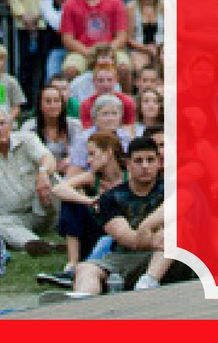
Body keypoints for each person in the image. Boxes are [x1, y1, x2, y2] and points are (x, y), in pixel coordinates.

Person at [72, 135, 170, 295]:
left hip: (167, 259)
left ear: (159, 163)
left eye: (150, 160)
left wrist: (146, 226)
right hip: (125, 256)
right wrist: (151, 237)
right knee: (85, 267)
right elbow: (129, 239)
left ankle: (147, 283)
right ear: (128, 164)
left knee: (172, 237)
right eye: (138, 161)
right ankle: (81, 299)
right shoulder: (110, 198)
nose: (145, 166)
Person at [40, 131, 126, 290]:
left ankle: (77, 274)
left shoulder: (129, 176)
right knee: (71, 202)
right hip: (97, 232)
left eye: (93, 154)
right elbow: (59, 189)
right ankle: (73, 263)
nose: (88, 160)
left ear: (108, 153)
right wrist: (89, 201)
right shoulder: (93, 177)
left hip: (121, 233)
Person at [0, 106, 60, 254]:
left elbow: (49, 158)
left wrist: (43, 173)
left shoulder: (27, 139)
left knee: (53, 178)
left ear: (10, 124)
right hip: (17, 218)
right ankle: (38, 245)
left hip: (46, 206)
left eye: (1, 123)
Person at [60, 0, 130, 82]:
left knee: (124, 68)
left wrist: (107, 52)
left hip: (111, 49)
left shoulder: (116, 2)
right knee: (70, 70)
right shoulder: (70, 5)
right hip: (81, 51)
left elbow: (122, 36)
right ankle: (73, 101)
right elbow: (67, 39)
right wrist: (88, 52)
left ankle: (127, 100)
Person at [7, 0, 54, 102]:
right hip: (23, 25)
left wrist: (39, 14)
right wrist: (23, 15)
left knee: (43, 64)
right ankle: (24, 103)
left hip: (44, 24)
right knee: (24, 65)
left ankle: (42, 101)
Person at [21, 83, 82, 176]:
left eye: (57, 101)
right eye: (48, 101)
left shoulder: (74, 125)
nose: (53, 105)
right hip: (38, 173)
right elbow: (25, 157)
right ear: (40, 105)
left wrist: (69, 160)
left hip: (68, 173)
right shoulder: (29, 127)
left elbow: (80, 152)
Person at [39, 0, 74, 79]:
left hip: (78, 47)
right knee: (52, 78)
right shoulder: (45, 4)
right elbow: (58, 25)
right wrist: (69, 3)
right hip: (57, 48)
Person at [126, 0, 164, 71]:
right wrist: (146, 49)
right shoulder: (131, 7)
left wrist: (160, 48)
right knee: (141, 67)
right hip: (139, 48)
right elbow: (129, 39)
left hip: (161, 48)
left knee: (165, 61)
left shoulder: (165, 7)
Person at [0, 44, 25, 122]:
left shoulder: (11, 81)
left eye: (1, 59)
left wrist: (9, 118)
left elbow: (17, 106)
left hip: (6, 123)